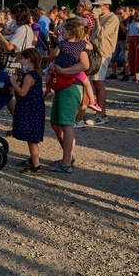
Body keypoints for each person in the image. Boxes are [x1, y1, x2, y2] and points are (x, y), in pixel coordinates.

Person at [44, 19, 90, 173]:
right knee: (56, 124)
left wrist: (64, 70)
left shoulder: (74, 46)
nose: (61, 34)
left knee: (66, 124)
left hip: (71, 87)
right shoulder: (81, 45)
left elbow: (85, 65)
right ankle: (68, 156)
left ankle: (66, 162)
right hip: (62, 86)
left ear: (70, 33)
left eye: (63, 31)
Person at [10, 48, 46, 176]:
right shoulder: (33, 73)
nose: (20, 60)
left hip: (30, 109)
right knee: (32, 136)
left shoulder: (29, 76)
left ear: (28, 60)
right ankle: (33, 158)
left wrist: (13, 82)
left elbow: (22, 92)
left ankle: (36, 166)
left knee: (31, 138)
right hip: (35, 108)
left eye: (21, 58)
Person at [87, 0, 120, 124]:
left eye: (98, 6)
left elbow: (101, 34)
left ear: (106, 6)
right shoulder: (100, 18)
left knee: (98, 83)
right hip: (95, 52)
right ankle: (98, 112)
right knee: (94, 82)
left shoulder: (113, 18)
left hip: (103, 53)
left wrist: (96, 19)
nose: (96, 8)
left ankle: (102, 114)